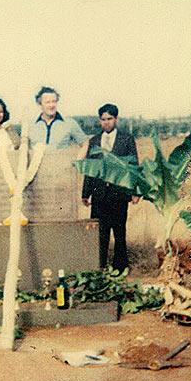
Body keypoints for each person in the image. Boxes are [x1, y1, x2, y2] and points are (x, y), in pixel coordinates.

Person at [82, 103, 140, 271]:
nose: (106, 122)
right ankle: (99, 267)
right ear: (99, 120)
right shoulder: (94, 141)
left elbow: (134, 166)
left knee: (119, 231)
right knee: (100, 232)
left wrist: (135, 192)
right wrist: (86, 193)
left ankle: (121, 267)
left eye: (109, 119)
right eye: (103, 119)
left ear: (116, 119)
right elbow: (89, 169)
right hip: (99, 194)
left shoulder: (126, 139)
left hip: (119, 193)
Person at [28, 86, 88, 151]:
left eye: (54, 101)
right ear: (39, 104)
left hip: (61, 160)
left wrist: (79, 160)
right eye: (47, 102)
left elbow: (85, 143)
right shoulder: (30, 125)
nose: (51, 105)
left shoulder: (69, 123)